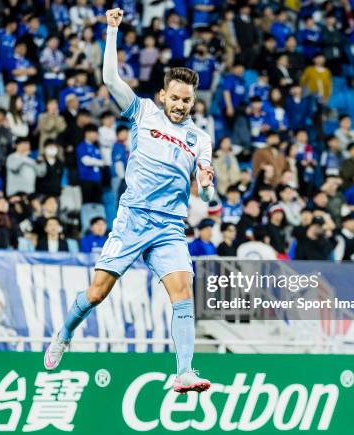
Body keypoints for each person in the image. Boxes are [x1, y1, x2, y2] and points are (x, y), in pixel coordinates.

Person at [45, 8, 215, 394]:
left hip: (169, 227)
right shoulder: (142, 112)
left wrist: (206, 185)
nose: (181, 105)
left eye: (187, 101)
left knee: (184, 292)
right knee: (97, 293)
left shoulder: (200, 139)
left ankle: (184, 371)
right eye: (175, 98)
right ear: (163, 95)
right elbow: (110, 78)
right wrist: (111, 30)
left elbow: (206, 191)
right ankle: (65, 331)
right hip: (133, 219)